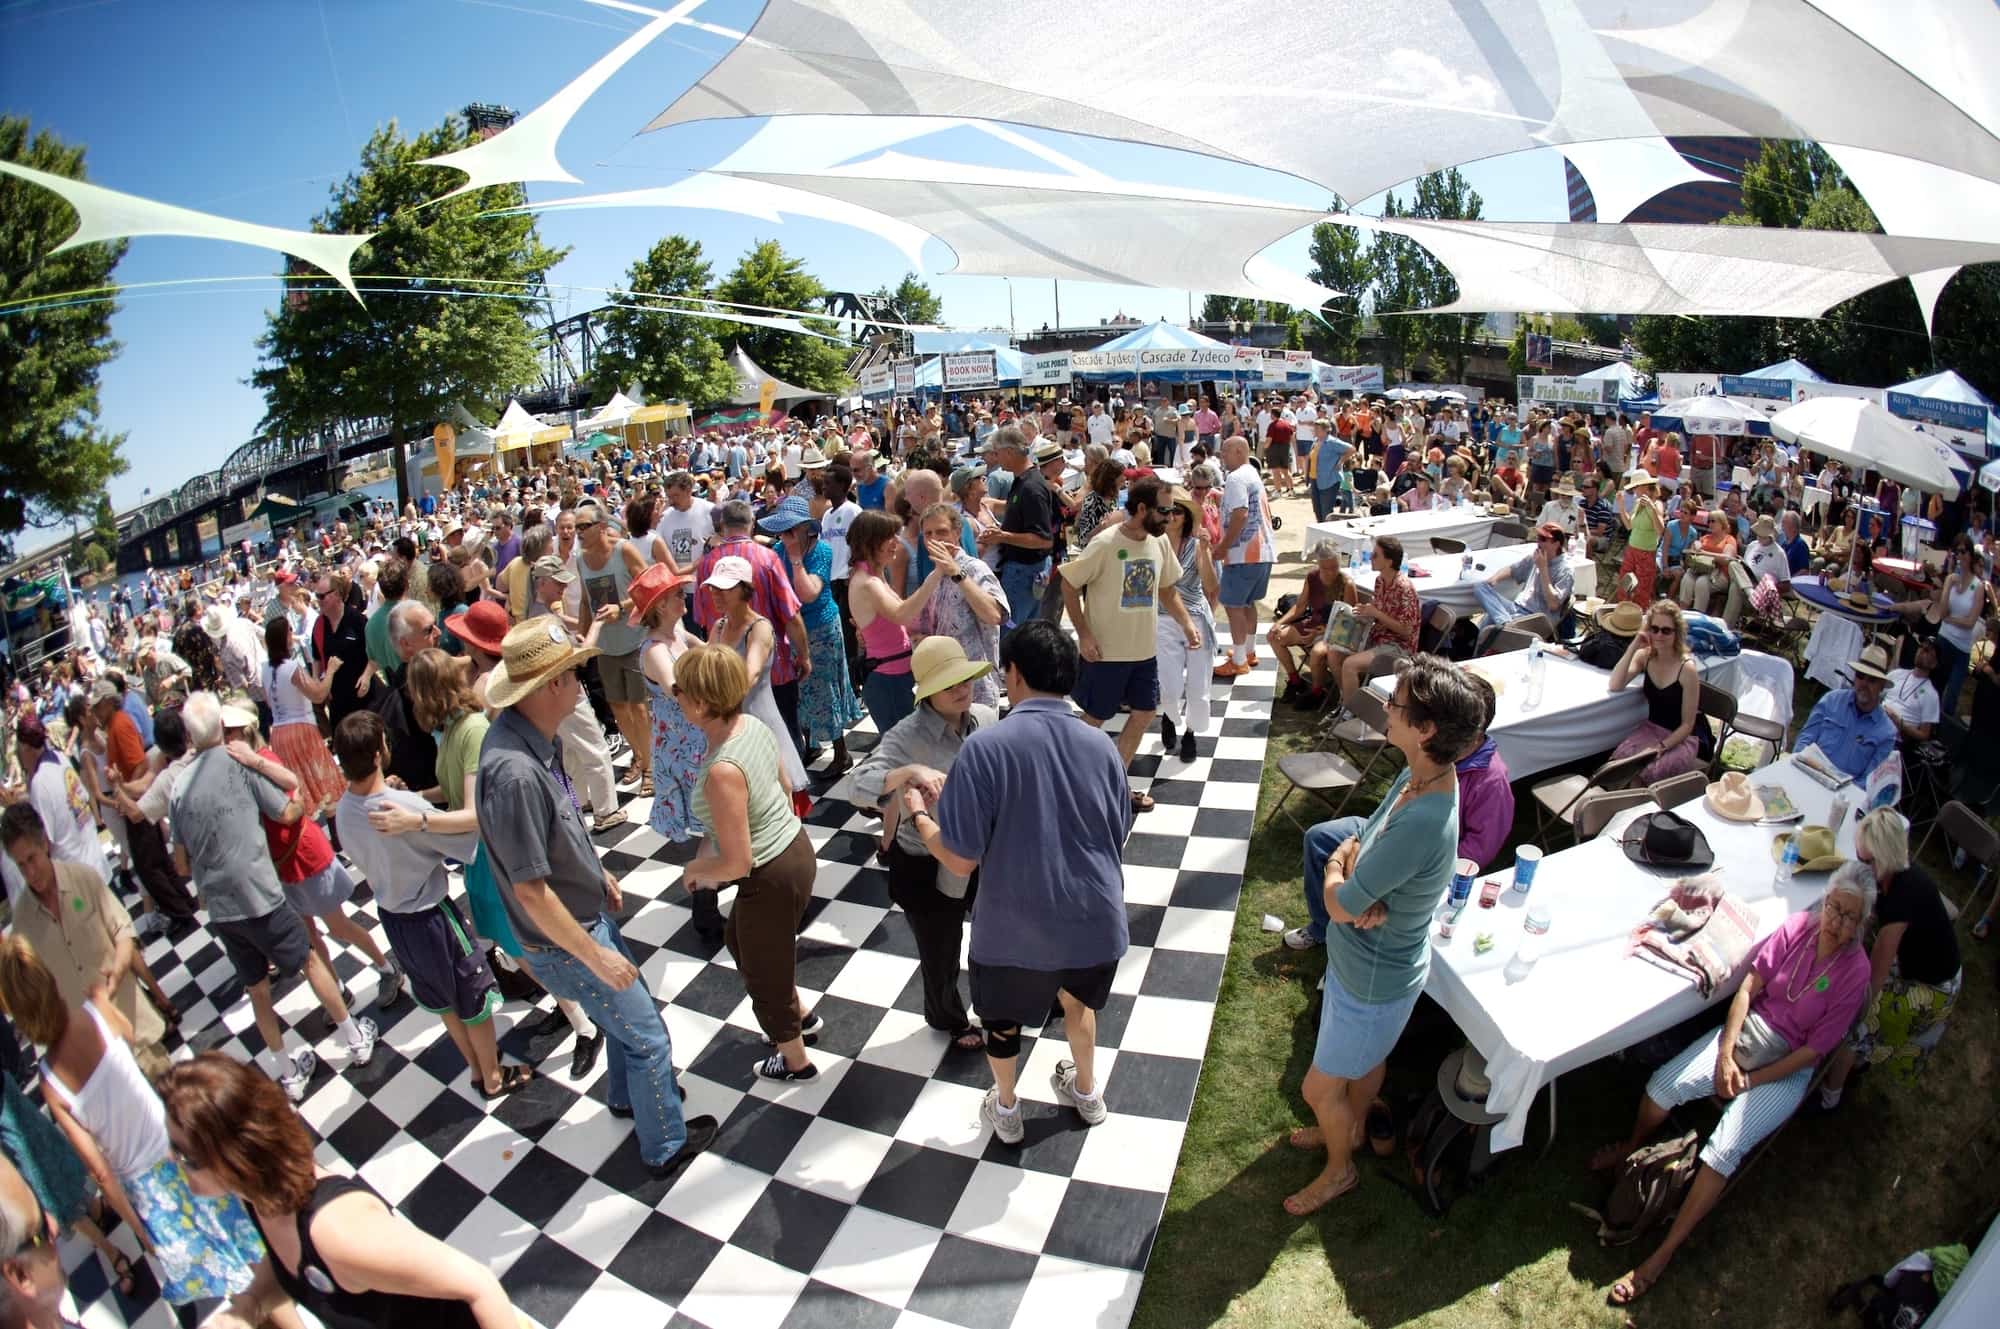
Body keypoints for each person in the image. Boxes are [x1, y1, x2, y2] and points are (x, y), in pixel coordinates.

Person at [476, 619, 716, 1177]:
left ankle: (626, 1099)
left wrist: (596, 870)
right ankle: (664, 1148)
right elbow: (531, 892)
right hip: (569, 940)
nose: (581, 678)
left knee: (623, 1022)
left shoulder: (535, 741)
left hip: (581, 920)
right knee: (651, 1039)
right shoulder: (512, 772)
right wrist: (594, 955)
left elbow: (558, 830)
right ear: (542, 689)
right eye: (568, 673)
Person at [1591, 874, 1873, 1306]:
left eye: (1847, 915)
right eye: (1832, 906)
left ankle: (1661, 1257)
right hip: (1746, 1033)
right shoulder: (1800, 925)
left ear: (1862, 923)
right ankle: (1632, 1145)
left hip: (1788, 1064)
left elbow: (1815, 1051)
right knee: (1662, 1086)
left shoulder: (1856, 973)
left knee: (1723, 1151)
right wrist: (1725, 1054)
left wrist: (1753, 1081)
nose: (1834, 920)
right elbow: (1747, 989)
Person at [903, 621, 1131, 1146]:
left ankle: (1006, 1109)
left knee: (1002, 1021)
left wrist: (919, 817)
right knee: (1080, 1007)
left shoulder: (984, 749)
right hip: (1094, 921)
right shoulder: (1102, 747)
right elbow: (1116, 832)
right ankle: (1089, 1092)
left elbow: (959, 862)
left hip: (1012, 931)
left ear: (1015, 674)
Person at [1282, 656, 1481, 1214]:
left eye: (1397, 705)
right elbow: (1365, 837)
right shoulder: (1419, 774)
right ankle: (1351, 1131)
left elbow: (1340, 901)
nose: (1386, 707)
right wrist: (1352, 872)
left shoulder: (1425, 813)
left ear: (1427, 729)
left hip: (1372, 979)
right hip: (1371, 968)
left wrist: (1337, 876)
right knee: (1367, 1063)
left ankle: (1340, 1169)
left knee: (1317, 1090)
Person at [0, 936, 274, 1314]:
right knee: (249, 1255)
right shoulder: (96, 1011)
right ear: (49, 983)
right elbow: (129, 1039)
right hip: (179, 1147)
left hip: (147, 1187)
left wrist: (139, 1228)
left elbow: (98, 1170)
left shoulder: (50, 1082)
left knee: (223, 1282)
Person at [158, 1053, 523, 1328]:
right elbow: (293, 1272)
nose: (172, 1165)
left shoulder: (338, 1231)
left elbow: (479, 1285)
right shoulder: (258, 1198)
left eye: (186, 1156)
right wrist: (250, 1305)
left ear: (235, 1155)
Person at [169, 692, 376, 1102]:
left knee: (257, 990)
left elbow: (179, 865)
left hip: (223, 910)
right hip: (262, 892)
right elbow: (285, 811)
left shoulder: (178, 789)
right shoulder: (237, 763)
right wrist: (298, 801)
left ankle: (288, 1072)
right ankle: (354, 1038)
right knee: (309, 960)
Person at [331, 711, 534, 1102]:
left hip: (393, 918)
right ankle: (493, 1076)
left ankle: (476, 1069)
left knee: (443, 1000)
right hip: (433, 915)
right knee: (474, 997)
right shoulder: (401, 806)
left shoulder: (343, 810)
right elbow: (464, 836)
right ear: (378, 754)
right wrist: (419, 813)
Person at [674, 644, 821, 1081]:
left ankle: (795, 1060)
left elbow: (737, 863)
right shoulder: (752, 725)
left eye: (678, 690)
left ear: (700, 703)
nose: (673, 696)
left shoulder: (722, 769)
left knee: (763, 973)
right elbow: (780, 786)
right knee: (742, 941)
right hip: (794, 849)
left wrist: (696, 871)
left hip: (770, 872)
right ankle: (802, 1015)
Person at [849, 638, 993, 1051]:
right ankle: (948, 1017)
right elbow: (857, 787)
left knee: (994, 937)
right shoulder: (905, 736)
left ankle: (1000, 1002)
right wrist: (907, 771)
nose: (962, 690)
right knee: (940, 952)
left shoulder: (985, 716)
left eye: (965, 679)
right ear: (927, 692)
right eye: (950, 685)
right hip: (925, 864)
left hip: (981, 855)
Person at [1059, 477, 1201, 813]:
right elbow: (1068, 584)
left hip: (1144, 652)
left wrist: (1187, 623)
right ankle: (1068, 782)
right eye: (1165, 510)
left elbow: (1166, 589)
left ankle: (1115, 782)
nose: (1170, 517)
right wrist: (1085, 636)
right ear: (1141, 509)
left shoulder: (1160, 542)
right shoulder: (1105, 544)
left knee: (1145, 712)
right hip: (1106, 653)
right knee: (1094, 719)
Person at [0, 804, 170, 1080]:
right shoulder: (22, 925)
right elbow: (31, 997)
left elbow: (123, 932)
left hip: (136, 1029)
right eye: (21, 865)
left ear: (44, 843)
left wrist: (118, 972)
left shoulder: (84, 879)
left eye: (32, 858)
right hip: (93, 1060)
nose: (30, 872)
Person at [1814, 811, 1961, 1109]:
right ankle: (1858, 1062)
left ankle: (1830, 1097)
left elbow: (1873, 983)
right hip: (1916, 961)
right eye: (1858, 855)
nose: (1860, 866)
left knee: (1853, 1025)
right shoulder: (1890, 874)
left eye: (1867, 861)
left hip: (1933, 986)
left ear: (1887, 856)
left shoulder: (1900, 902)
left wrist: (1849, 1006)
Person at [760, 495, 862, 773]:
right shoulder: (778, 549)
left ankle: (841, 753)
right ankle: (810, 743)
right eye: (782, 530)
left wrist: (795, 559)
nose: (784, 535)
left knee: (826, 692)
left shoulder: (822, 551)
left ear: (805, 528)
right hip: (793, 630)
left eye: (790, 529)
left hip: (822, 629)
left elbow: (808, 592)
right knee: (801, 692)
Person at [701, 557, 812, 804]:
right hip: (728, 725)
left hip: (760, 725)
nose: (716, 594)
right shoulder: (718, 627)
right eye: (713, 588)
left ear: (744, 589)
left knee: (776, 803)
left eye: (725, 588)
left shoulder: (759, 628)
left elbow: (749, 676)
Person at [572, 500, 655, 798]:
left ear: (601, 526)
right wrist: (583, 639)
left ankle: (649, 767)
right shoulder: (580, 559)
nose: (578, 532)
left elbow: (649, 586)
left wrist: (622, 607)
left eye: (584, 526)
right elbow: (584, 601)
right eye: (576, 527)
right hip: (605, 645)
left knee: (640, 707)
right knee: (619, 708)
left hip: (634, 639)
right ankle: (640, 755)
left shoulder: (624, 551)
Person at [847, 511, 955, 737]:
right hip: (887, 682)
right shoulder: (867, 582)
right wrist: (937, 573)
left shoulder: (875, 575)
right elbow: (902, 614)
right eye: (890, 537)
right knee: (906, 753)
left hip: (895, 677)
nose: (897, 542)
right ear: (871, 542)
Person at [631, 563, 709, 843]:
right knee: (705, 820)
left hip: (695, 733)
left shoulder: (677, 633)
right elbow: (678, 688)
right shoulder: (654, 650)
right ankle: (709, 878)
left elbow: (710, 651)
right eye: (677, 594)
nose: (683, 596)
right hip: (681, 743)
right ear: (661, 606)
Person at [1156, 486, 1221, 761]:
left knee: (1198, 685)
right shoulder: (1153, 543)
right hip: (1161, 618)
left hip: (1195, 615)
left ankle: (1191, 733)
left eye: (1176, 511)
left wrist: (1205, 552)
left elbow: (1210, 586)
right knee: (1169, 685)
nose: (1170, 516)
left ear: (1185, 517)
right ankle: (1170, 716)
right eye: (1166, 510)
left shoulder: (1196, 545)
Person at [1607, 599, 1704, 781]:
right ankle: (1624, 806)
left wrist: (1660, 747)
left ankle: (1643, 808)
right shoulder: (1646, 656)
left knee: (1646, 772)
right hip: (1650, 730)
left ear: (1677, 633)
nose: (1659, 635)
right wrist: (1635, 644)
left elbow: (1687, 725)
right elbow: (1615, 684)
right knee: (1619, 765)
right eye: (1654, 628)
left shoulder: (1687, 669)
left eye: (1666, 630)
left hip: (1678, 740)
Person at [260, 615, 344, 817]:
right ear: (284, 638)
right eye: (289, 631)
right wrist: (330, 671)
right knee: (324, 783)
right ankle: (336, 838)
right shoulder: (290, 668)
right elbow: (318, 694)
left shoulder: (264, 668)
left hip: (279, 734)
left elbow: (269, 701)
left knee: (299, 787)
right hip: (301, 730)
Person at [1333, 536, 1422, 713]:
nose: (1370, 557)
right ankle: (1345, 699)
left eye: (1375, 555)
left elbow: (1406, 631)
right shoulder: (1380, 580)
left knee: (1350, 664)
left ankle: (1350, 713)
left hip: (1398, 648)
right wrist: (1365, 612)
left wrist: (1375, 613)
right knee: (1335, 650)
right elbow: (1380, 613)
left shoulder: (1404, 588)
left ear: (1389, 561)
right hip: (1378, 637)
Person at [979, 425, 1057, 628]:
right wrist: (997, 505)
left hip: (1024, 571)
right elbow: (1022, 509)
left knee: (1010, 630)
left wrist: (1002, 536)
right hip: (1027, 571)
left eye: (997, 453)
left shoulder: (1031, 487)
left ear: (1010, 452)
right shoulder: (1025, 481)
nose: (996, 458)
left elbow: (1043, 539)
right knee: (1025, 631)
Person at [1215, 435, 1276, 679]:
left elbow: (1240, 514)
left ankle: (1239, 660)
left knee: (1233, 606)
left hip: (1243, 553)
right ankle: (1247, 651)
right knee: (1248, 604)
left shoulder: (1236, 477)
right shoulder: (1253, 474)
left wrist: (1223, 546)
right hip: (1263, 551)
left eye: (1225, 452)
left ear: (1239, 451)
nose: (1222, 456)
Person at [1795, 641, 1900, 781]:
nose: (1864, 684)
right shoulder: (1831, 700)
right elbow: (1805, 738)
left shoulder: (1887, 732)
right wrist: (1799, 764)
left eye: (1872, 680)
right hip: (1808, 773)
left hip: (1844, 794)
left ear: (1882, 686)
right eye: (1860, 676)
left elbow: (1869, 780)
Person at [1270, 545, 1353, 709]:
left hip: (1334, 631)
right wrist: (1279, 623)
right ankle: (1295, 681)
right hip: (1313, 624)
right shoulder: (1312, 577)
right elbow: (1299, 607)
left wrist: (1322, 631)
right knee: (1274, 637)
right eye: (1325, 568)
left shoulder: (1346, 584)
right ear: (1318, 564)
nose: (1330, 572)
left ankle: (1317, 693)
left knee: (1317, 652)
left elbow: (1349, 620)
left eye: (1334, 567)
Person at [1472, 523, 1574, 653]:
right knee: (1480, 587)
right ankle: (1505, 624)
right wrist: (1495, 579)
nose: (1538, 542)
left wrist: (1543, 569)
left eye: (1543, 539)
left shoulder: (1565, 570)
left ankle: (1478, 655)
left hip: (1536, 618)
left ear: (1556, 544)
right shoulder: (1536, 556)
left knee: (1489, 620)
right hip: (1516, 608)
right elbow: (1513, 569)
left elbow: (1553, 604)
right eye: (1538, 538)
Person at [1453, 673, 1513, 871]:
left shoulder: (1491, 781)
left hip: (1435, 866)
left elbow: (1480, 847)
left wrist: (1436, 870)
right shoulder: (1432, 753)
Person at [1930, 547, 1990, 716]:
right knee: (1936, 687)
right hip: (1944, 638)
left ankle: (1942, 730)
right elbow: (1942, 614)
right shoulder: (1952, 579)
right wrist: (1948, 584)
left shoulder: (1979, 586)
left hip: (1962, 645)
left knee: (1951, 696)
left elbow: (1970, 622)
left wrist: (1952, 620)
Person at [1618, 470, 1666, 606]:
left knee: (1642, 590)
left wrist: (1652, 508)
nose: (1634, 490)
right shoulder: (1638, 503)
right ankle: (1623, 615)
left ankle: (1637, 618)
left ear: (1645, 487)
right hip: (1631, 550)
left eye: (1636, 487)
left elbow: (1660, 530)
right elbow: (1628, 525)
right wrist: (1621, 507)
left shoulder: (1657, 505)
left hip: (1646, 553)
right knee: (1624, 584)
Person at [1882, 639, 1942, 744]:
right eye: (1921, 647)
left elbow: (1924, 735)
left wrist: (1900, 723)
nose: (1921, 651)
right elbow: (1876, 696)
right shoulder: (1896, 674)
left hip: (1895, 739)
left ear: (1934, 664)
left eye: (1927, 650)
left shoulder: (1931, 695)